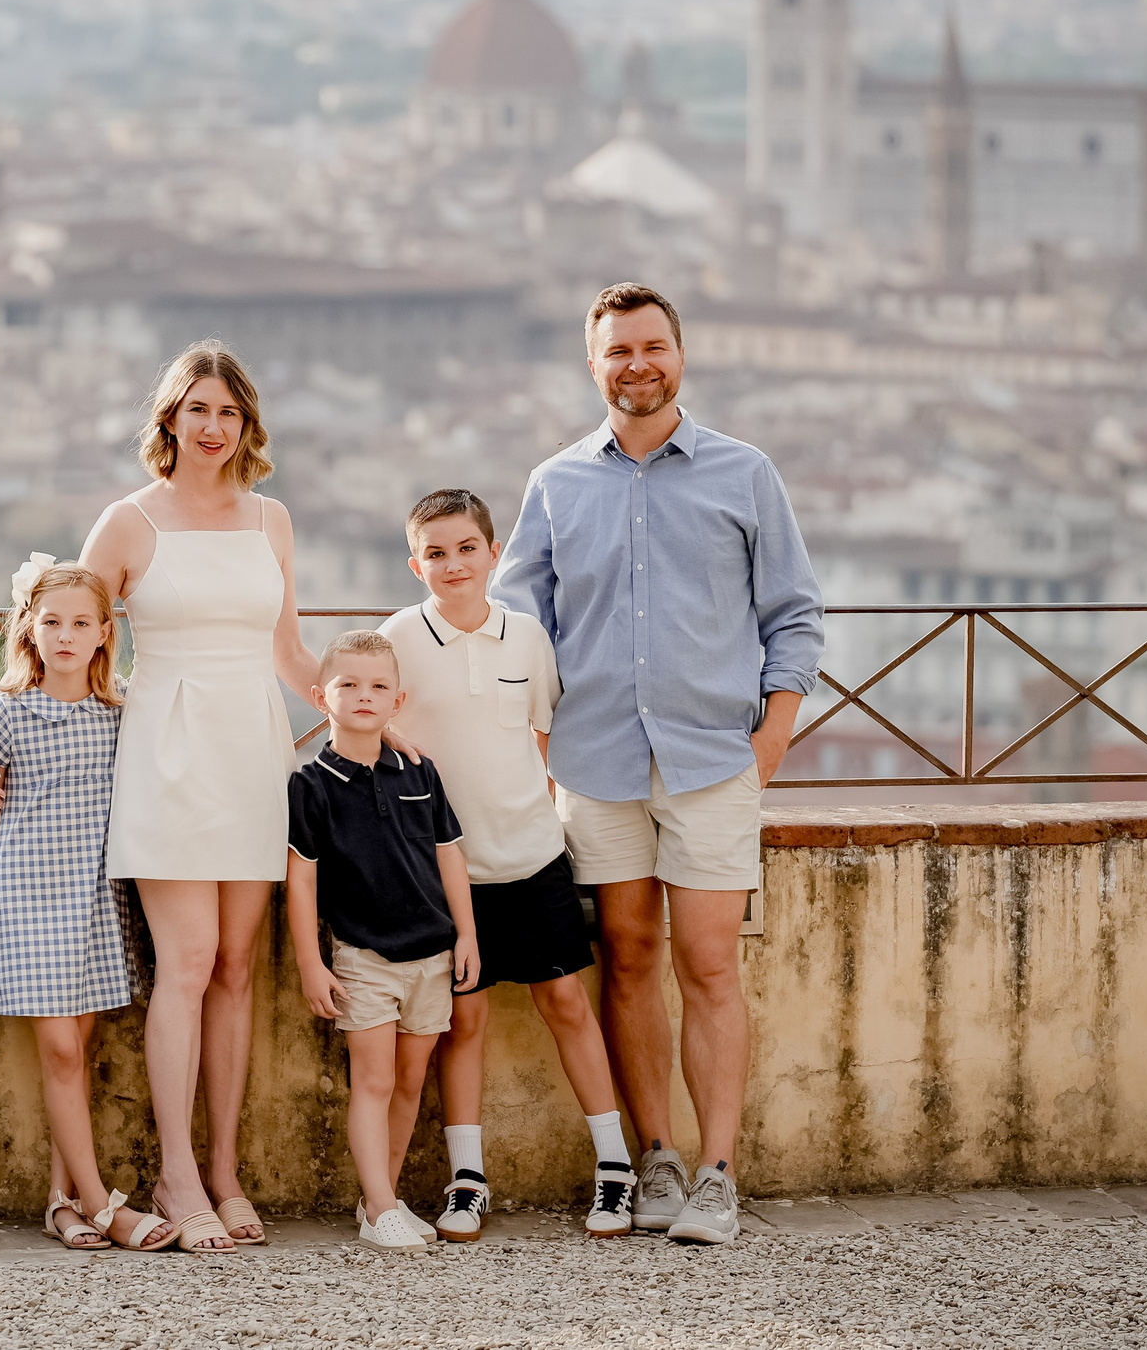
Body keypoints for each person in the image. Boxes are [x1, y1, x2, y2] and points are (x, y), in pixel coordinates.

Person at [495, 281, 824, 1246]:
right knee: (628, 960)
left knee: (711, 963)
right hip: (594, 765)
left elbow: (794, 612)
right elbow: (521, 627)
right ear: (592, 366)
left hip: (714, 760)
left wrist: (772, 737)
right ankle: (659, 1159)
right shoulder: (556, 482)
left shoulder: (744, 472)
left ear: (680, 354)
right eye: (618, 352)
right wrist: (543, 741)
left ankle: (720, 1170)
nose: (637, 364)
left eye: (652, 346)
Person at [0, 341, 310, 1256]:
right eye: (196, 409)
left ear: (247, 424)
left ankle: (226, 1170)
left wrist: (385, 707)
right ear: (169, 419)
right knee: (189, 962)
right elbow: (58, 627)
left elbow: (290, 654)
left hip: (252, 748)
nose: (212, 426)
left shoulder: (272, 519)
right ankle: (176, 1173)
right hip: (163, 752)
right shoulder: (127, 521)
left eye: (228, 412)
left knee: (240, 967)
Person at [378, 489, 636, 1242]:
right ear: (414, 562)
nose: (452, 564)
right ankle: (467, 1178)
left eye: (467, 548)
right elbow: (368, 721)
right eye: (435, 552)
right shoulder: (398, 635)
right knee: (464, 1020)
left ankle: (615, 1168)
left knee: (567, 1004)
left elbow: (547, 740)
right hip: (441, 872)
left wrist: (562, 824)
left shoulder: (526, 635)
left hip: (533, 857)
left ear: (494, 553)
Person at [0, 557, 178, 1252]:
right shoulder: (8, 715)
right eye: (52, 622)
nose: (67, 635)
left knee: (78, 1049)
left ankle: (60, 1201)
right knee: (59, 1050)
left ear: (106, 632)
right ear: (30, 629)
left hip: (97, 899)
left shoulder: (121, 711)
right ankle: (106, 1206)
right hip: (25, 896)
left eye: (81, 623)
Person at [284, 629, 479, 1251]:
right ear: (321, 696)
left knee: (409, 1082)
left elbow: (450, 856)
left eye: (378, 687)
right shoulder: (310, 786)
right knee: (372, 1080)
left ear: (399, 699)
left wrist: (467, 935)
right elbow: (302, 883)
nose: (364, 696)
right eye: (348, 685)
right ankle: (380, 1202)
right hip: (363, 957)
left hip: (433, 951)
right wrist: (311, 964)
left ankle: (381, 1206)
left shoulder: (420, 771)